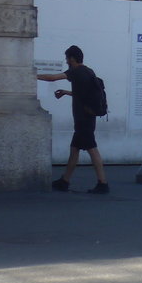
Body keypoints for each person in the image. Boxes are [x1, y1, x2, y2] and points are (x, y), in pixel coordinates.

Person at [38, 45, 109, 194]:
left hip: (84, 120)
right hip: (86, 119)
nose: (66, 61)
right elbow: (83, 95)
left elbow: (52, 78)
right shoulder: (89, 71)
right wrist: (66, 92)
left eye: (67, 58)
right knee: (74, 150)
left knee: (92, 150)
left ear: (72, 58)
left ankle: (102, 183)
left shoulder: (76, 72)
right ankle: (64, 181)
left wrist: (32, 75)